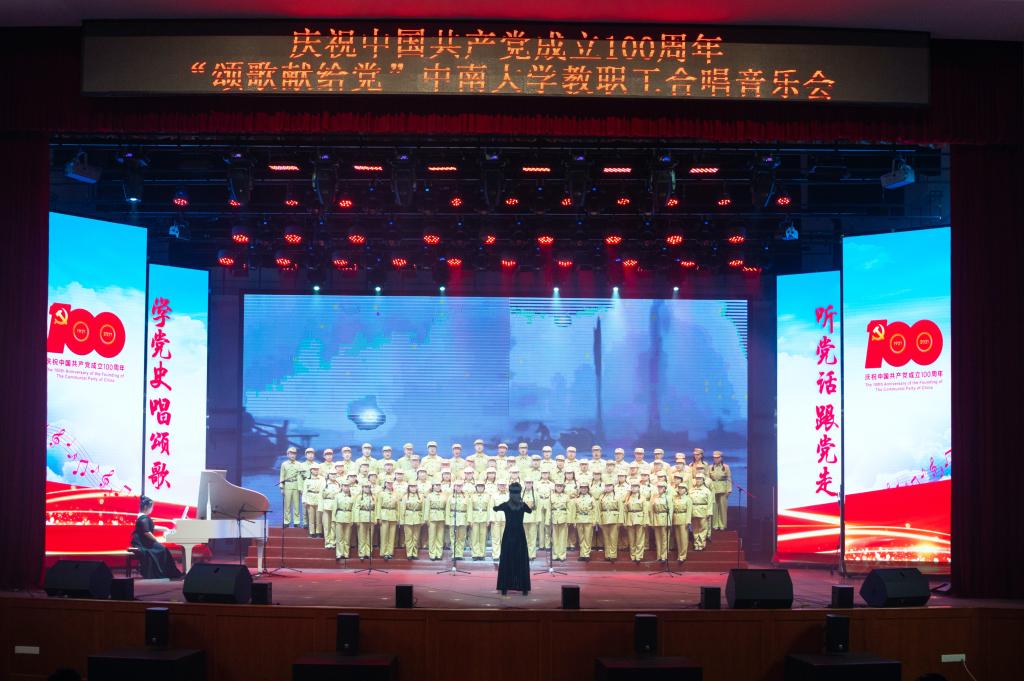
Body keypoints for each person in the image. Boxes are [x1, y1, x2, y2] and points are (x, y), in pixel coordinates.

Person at [493, 482, 532, 596]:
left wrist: (497, 507)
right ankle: (524, 588)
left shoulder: (505, 505)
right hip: (520, 535)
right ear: (519, 493)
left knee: (507, 559)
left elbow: (495, 508)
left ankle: (504, 588)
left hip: (508, 535)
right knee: (521, 559)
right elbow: (530, 510)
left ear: (510, 493)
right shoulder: (523, 505)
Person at [130, 496, 182, 579]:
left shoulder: (142, 517)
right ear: (146, 507)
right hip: (143, 543)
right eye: (151, 507)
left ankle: (169, 572)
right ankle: (167, 573)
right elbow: (147, 532)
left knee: (163, 549)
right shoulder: (144, 518)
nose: (152, 509)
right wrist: (156, 540)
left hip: (143, 541)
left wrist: (165, 528)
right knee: (163, 550)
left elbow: (151, 527)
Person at [278, 446, 303, 528]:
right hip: (287, 486)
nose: (293, 455)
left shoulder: (299, 464)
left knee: (296, 505)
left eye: (294, 454)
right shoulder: (284, 464)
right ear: (287, 454)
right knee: (287, 505)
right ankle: (286, 521)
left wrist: (301, 488)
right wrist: (282, 487)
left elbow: (300, 477)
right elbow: (282, 476)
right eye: (291, 453)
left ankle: (296, 522)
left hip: (296, 486)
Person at [623, 483, 649, 563]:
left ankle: (639, 556)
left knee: (640, 538)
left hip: (640, 518)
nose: (634, 488)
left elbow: (645, 510)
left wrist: (645, 521)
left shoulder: (642, 497)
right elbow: (625, 510)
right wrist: (624, 521)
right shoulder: (628, 497)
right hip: (630, 518)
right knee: (631, 539)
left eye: (635, 487)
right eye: (632, 487)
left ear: (638, 488)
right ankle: (633, 555)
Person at [375, 480, 400, 559]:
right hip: (384, 515)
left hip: (393, 515)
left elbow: (398, 507)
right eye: (388, 483)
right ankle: (384, 552)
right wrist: (378, 517)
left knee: (392, 536)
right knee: (384, 535)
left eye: (391, 483)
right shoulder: (381, 494)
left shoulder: (396, 494)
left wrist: (398, 518)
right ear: (385, 484)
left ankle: (390, 552)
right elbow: (378, 506)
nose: (389, 484)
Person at [598, 482, 623, 561]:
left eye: (609, 486)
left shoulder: (617, 496)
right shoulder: (602, 497)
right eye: (606, 486)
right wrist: (599, 520)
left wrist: (620, 520)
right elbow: (598, 509)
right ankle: (607, 555)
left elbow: (621, 509)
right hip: (604, 518)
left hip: (614, 518)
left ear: (613, 487)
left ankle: (613, 555)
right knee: (606, 538)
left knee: (613, 537)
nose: (608, 488)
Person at [399, 482, 425, 559]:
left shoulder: (420, 497)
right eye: (411, 487)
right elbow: (402, 509)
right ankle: (409, 554)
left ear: (417, 488)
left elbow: (423, 509)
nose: (413, 488)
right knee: (408, 537)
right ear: (408, 488)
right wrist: (402, 520)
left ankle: (415, 553)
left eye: (414, 487)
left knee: (416, 537)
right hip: (407, 518)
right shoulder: (405, 497)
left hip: (417, 518)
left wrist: (423, 519)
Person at [709, 451, 733, 530]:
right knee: (714, 508)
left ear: (721, 458)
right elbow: (708, 479)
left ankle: (723, 525)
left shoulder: (726, 467)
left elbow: (729, 478)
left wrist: (729, 489)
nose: (716, 459)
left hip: (723, 489)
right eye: (714, 458)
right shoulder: (710, 467)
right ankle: (715, 525)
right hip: (713, 489)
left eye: (717, 457)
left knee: (723, 508)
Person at [571, 482, 596, 561]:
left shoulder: (591, 498)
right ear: (580, 489)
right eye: (582, 488)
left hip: (588, 519)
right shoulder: (577, 498)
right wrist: (574, 521)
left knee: (588, 538)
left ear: (588, 489)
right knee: (581, 538)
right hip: (579, 519)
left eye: (585, 488)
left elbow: (595, 510)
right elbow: (574, 510)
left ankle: (587, 554)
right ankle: (582, 554)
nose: (583, 489)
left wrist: (594, 521)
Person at [468, 482, 492, 560]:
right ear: (476, 487)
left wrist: (488, 520)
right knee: (474, 537)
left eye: (482, 486)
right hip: (474, 518)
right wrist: (470, 520)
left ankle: (482, 554)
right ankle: (475, 554)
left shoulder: (488, 496)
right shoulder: (472, 496)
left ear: (484, 487)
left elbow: (489, 508)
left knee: (483, 537)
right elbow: (470, 508)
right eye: (479, 486)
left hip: (484, 518)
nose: (480, 488)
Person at [649, 482, 672, 562]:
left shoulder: (668, 497)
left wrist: (669, 521)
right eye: (658, 487)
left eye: (661, 487)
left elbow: (670, 510)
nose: (659, 488)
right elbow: (651, 510)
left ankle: (664, 556)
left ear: (665, 489)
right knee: (658, 538)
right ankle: (659, 555)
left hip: (664, 518)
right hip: (656, 518)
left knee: (664, 538)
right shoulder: (654, 497)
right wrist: (651, 521)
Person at [446, 482, 469, 561]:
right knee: (453, 537)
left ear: (462, 487)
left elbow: (468, 509)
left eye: (460, 486)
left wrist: (468, 520)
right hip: (453, 518)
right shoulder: (450, 497)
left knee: (462, 537)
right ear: (454, 487)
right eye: (457, 486)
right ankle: (454, 554)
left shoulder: (466, 497)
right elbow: (447, 509)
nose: (458, 488)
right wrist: (448, 521)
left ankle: (460, 554)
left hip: (463, 518)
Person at [671, 479, 692, 563]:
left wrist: (688, 521)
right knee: (678, 538)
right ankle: (679, 554)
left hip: (684, 519)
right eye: (679, 488)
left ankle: (683, 556)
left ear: (686, 490)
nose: (680, 489)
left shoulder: (688, 499)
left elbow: (689, 511)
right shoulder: (675, 498)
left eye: (682, 488)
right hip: (676, 518)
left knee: (683, 538)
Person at [689, 475, 713, 551]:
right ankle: (696, 544)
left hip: (703, 511)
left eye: (700, 479)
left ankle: (701, 544)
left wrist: (709, 512)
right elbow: (688, 502)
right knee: (695, 528)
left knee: (703, 528)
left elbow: (710, 502)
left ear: (703, 480)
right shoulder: (691, 490)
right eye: (697, 479)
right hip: (693, 510)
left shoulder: (707, 491)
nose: (698, 480)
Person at [549, 481, 571, 561]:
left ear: (563, 487)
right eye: (557, 486)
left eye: (561, 486)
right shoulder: (551, 496)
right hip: (554, 517)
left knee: (563, 538)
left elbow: (569, 509)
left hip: (563, 517)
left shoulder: (566, 496)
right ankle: (555, 555)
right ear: (555, 487)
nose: (559, 487)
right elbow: (549, 508)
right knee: (554, 538)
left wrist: (569, 520)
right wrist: (548, 519)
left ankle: (562, 555)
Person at [426, 482, 448, 560]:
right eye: (436, 485)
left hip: (441, 516)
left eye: (439, 485)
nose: (438, 487)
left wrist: (446, 518)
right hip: (432, 517)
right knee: (432, 536)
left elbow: (446, 508)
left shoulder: (444, 496)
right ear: (433, 486)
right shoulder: (429, 495)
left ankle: (439, 554)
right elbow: (427, 508)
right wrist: (426, 518)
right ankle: (432, 554)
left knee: (440, 536)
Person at [353, 483, 376, 559]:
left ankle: (368, 553)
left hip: (371, 517)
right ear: (362, 488)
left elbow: (376, 508)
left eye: (368, 487)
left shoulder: (373, 497)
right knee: (361, 537)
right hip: (362, 517)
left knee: (370, 537)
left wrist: (375, 518)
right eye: (365, 487)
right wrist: (356, 519)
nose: (367, 489)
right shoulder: (359, 497)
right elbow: (356, 508)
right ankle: (362, 553)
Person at [333, 483, 355, 560]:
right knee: (339, 537)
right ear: (342, 487)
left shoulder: (352, 497)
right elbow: (334, 508)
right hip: (339, 517)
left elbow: (353, 509)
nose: (346, 487)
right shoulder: (337, 496)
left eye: (348, 486)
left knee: (347, 537)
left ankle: (346, 553)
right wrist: (333, 518)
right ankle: (339, 554)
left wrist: (353, 519)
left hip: (348, 517)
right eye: (345, 486)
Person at [302, 464, 324, 538]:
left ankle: (319, 532)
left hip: (319, 498)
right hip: (310, 498)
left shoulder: (322, 479)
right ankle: (311, 532)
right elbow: (305, 491)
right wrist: (304, 501)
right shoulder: (307, 479)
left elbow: (323, 489)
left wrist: (322, 500)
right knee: (311, 517)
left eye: (317, 469)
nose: (316, 471)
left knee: (319, 517)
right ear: (311, 470)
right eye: (314, 469)